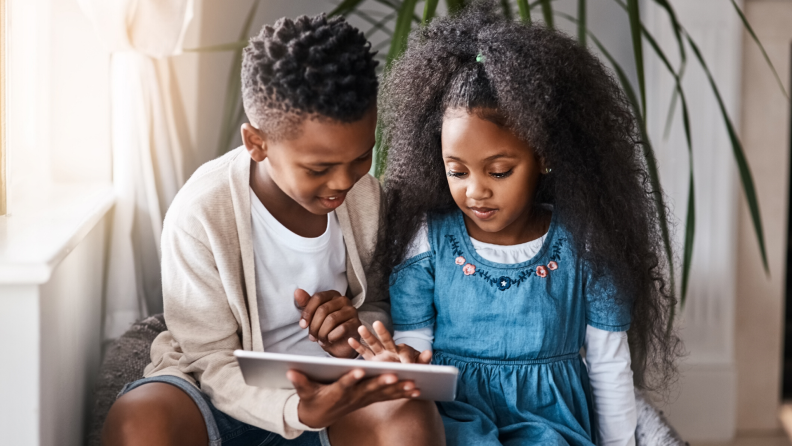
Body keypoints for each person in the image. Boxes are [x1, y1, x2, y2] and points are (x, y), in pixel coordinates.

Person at [101, 13, 445, 446]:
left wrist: (352, 333)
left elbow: (378, 302)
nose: (343, 182)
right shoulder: (200, 213)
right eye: (318, 168)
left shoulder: (366, 198)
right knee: (138, 421)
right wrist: (295, 410)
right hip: (219, 395)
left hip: (331, 396)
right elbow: (208, 359)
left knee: (408, 416)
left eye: (361, 157)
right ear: (256, 143)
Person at [349, 3, 681, 445]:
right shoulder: (428, 238)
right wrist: (401, 357)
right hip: (453, 416)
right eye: (457, 170)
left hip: (550, 423)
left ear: (543, 156)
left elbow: (608, 362)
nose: (476, 191)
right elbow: (416, 347)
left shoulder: (585, 242)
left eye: (499, 171)